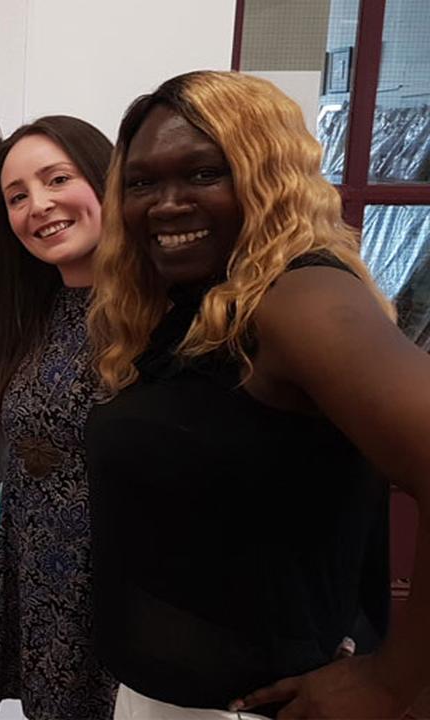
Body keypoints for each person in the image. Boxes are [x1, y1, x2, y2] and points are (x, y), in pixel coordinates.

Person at [85, 70, 430, 717]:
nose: (165, 202)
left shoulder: (299, 299)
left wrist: (392, 683)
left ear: (266, 176)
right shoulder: (193, 313)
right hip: (163, 701)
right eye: (141, 182)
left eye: (202, 174)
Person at [0, 116, 118, 718]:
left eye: (58, 178)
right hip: (42, 575)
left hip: (119, 583)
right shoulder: (38, 309)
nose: (40, 205)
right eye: (17, 197)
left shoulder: (155, 315)